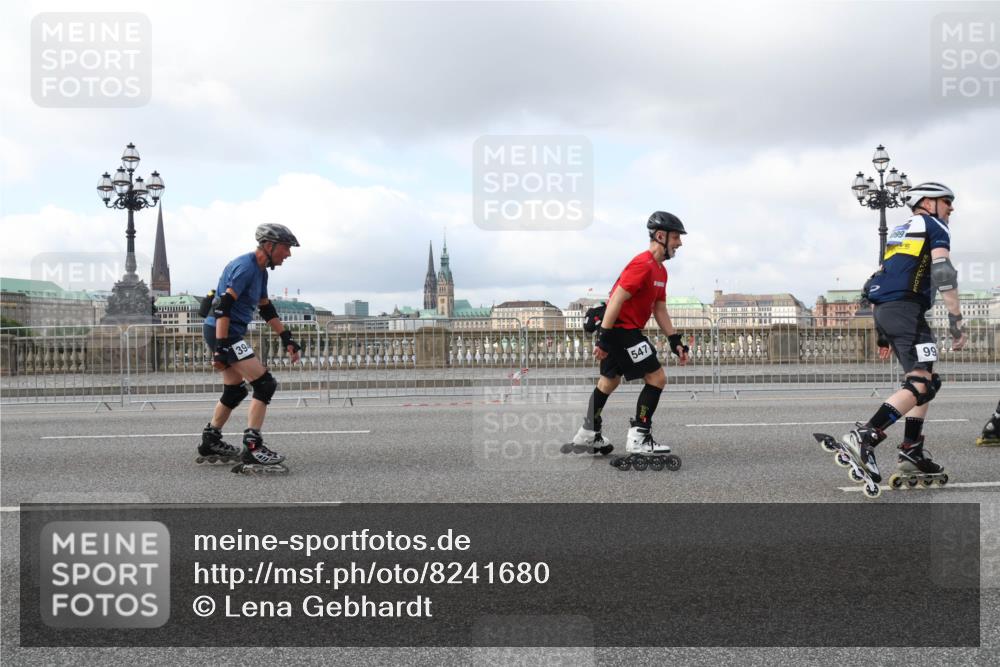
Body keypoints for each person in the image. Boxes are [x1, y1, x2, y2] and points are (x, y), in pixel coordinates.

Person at [844, 182, 967, 484]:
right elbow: (943, 271)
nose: (951, 208)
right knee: (920, 383)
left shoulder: (900, 232)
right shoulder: (934, 225)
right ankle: (866, 435)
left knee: (927, 379)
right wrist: (955, 319)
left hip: (888, 310)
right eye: (946, 201)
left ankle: (912, 450)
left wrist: (883, 333)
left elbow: (880, 278)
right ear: (928, 202)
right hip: (906, 311)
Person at [567, 211, 690, 470]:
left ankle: (588, 432)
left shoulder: (661, 272)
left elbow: (659, 309)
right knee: (657, 379)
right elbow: (616, 300)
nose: (679, 243)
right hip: (621, 330)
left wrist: (674, 340)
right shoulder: (642, 264)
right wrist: (604, 340)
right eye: (676, 237)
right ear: (661, 236)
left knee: (608, 382)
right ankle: (640, 437)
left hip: (622, 330)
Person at [197, 223, 302, 473]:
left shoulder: (262, 271)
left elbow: (266, 308)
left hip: (226, 331)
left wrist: (286, 337)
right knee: (265, 384)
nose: (288, 254)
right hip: (225, 331)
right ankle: (253, 447)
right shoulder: (245, 267)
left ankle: (211, 440)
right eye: (286, 248)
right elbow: (223, 307)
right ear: (269, 245)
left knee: (234, 391)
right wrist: (221, 348)